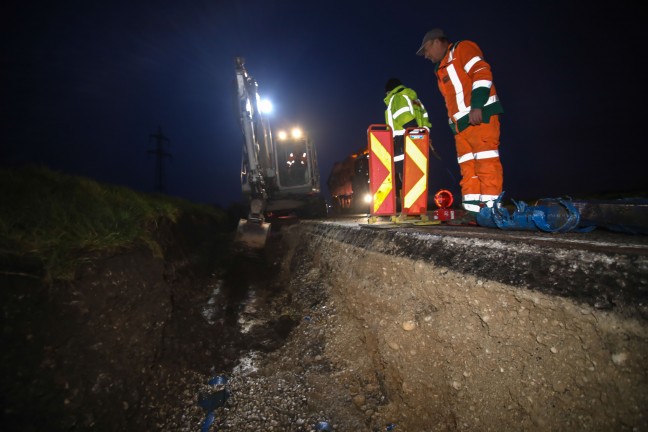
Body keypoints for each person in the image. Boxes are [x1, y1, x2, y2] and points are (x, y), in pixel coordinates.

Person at [416, 28, 504, 218]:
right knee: (468, 168)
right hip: (462, 126)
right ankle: (473, 212)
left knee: (485, 163)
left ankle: (491, 210)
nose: (426, 56)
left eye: (426, 50)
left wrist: (477, 106)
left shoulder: (462, 49)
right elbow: (453, 100)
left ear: (436, 42)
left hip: (479, 119)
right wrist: (453, 124)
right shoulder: (441, 70)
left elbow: (481, 72)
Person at [383, 78, 432, 200]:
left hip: (403, 140)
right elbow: (424, 118)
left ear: (389, 91)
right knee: (417, 173)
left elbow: (403, 117)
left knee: (405, 174)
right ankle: (416, 205)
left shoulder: (397, 98)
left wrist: (414, 132)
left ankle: (410, 205)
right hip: (419, 137)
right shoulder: (414, 99)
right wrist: (423, 135)